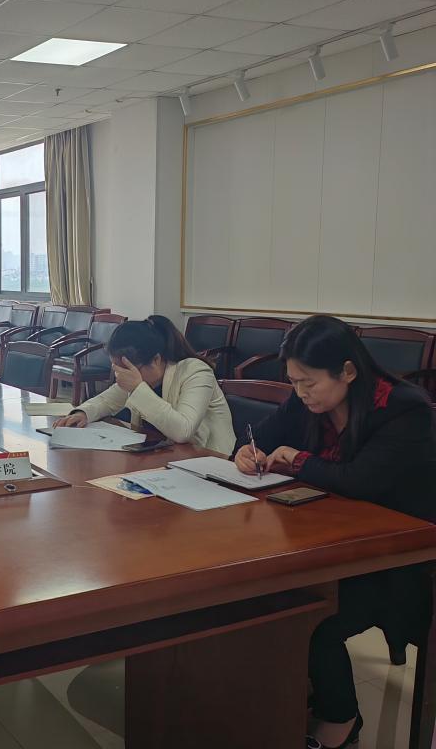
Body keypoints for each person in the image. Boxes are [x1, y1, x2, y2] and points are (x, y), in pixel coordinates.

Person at [232, 315, 436, 749]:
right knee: (259, 596)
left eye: (308, 382)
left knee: (308, 617)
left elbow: (362, 481)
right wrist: (247, 453)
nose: (300, 392)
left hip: (396, 559)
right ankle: (283, 696)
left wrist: (298, 460)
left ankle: (341, 718)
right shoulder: (307, 400)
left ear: (347, 371)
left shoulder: (405, 409)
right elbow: (260, 437)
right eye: (293, 382)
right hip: (328, 539)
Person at [53, 316, 236, 455]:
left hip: (209, 461)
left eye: (127, 370)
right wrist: (82, 413)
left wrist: (138, 388)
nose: (121, 376)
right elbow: (107, 400)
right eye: (117, 369)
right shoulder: (140, 377)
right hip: (165, 456)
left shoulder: (195, 371)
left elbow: (183, 431)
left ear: (156, 359)